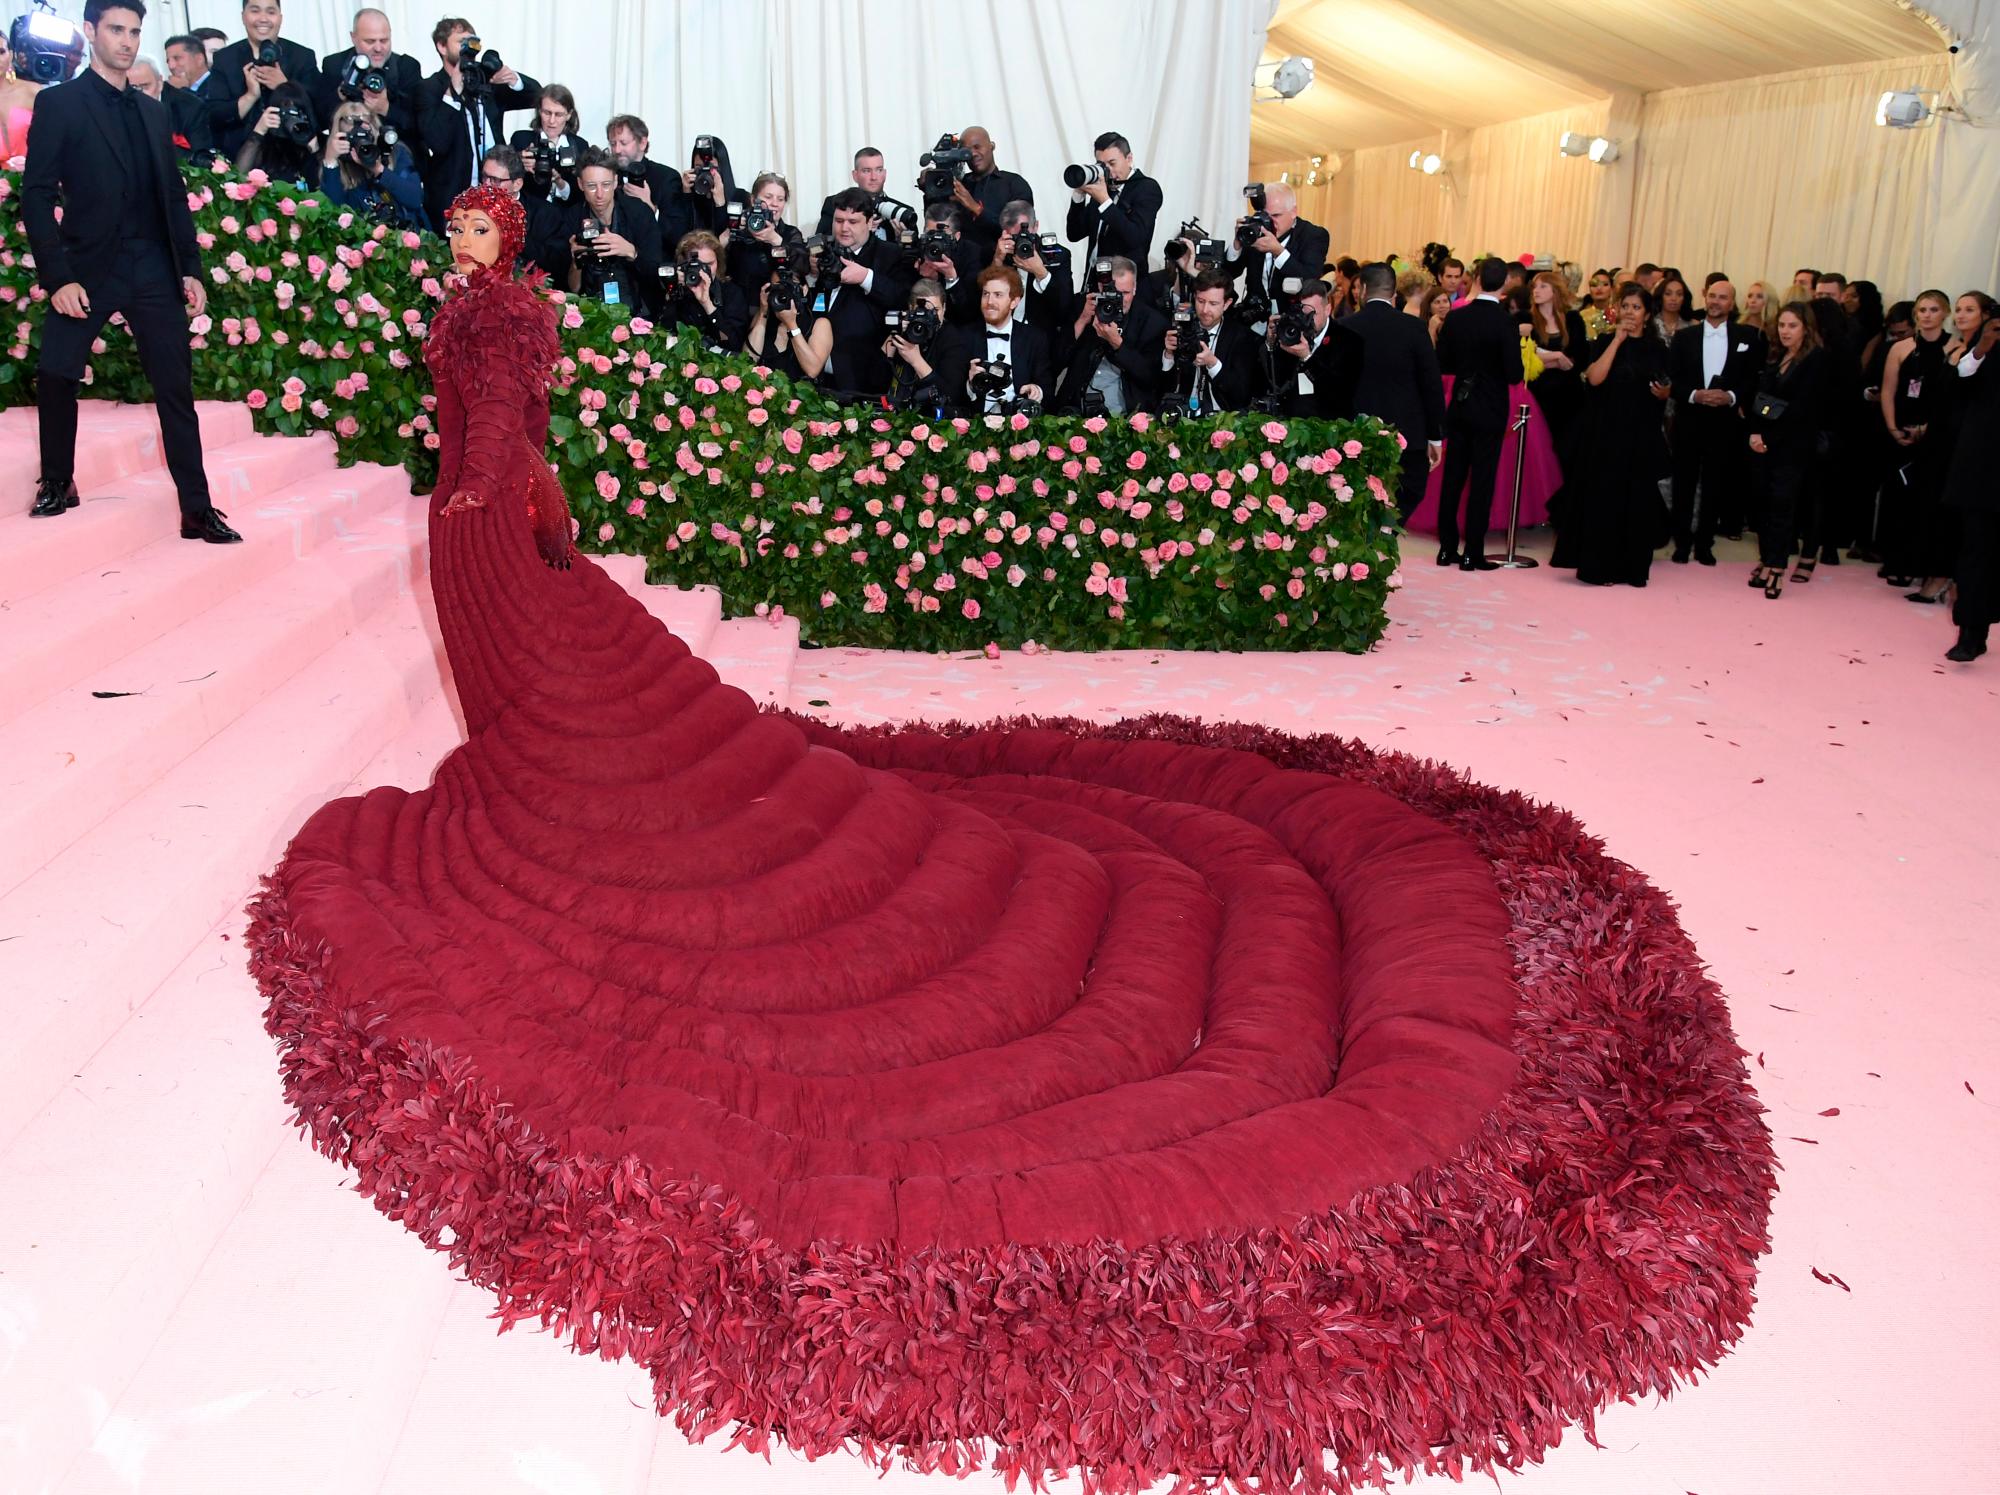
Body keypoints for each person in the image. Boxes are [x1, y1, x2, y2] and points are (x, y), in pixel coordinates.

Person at [21, 0, 237, 543]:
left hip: (152, 266)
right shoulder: (60, 104)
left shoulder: (154, 112)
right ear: (91, 32)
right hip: (87, 266)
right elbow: (37, 195)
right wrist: (58, 276)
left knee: (175, 388)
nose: (126, 41)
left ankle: (197, 508)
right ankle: (57, 480)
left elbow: (172, 194)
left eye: (135, 32)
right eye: (116, 29)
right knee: (55, 372)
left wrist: (188, 267)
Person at [1550, 282, 1671, 587]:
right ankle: (1598, 567)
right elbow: (1594, 378)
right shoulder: (1606, 340)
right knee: (1603, 498)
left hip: (1640, 434)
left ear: (1647, 314)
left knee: (1637, 500)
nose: (1630, 313)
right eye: (1626, 306)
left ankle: (1631, 569)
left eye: (1637, 307)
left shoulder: (1658, 348)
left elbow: (1665, 388)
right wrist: (1617, 342)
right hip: (1605, 433)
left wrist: (1664, 392)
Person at [1666, 277, 1764, 564]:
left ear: (1732, 303)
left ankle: (1705, 543)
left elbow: (1751, 380)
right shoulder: (1685, 337)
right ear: (1704, 298)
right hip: (1688, 419)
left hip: (1725, 422)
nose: (1715, 301)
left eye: (1722, 297)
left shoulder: (1747, 337)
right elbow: (1673, 378)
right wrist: (1696, 395)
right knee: (1683, 483)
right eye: (1711, 296)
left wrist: (1731, 397)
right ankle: (1681, 542)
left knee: (1715, 483)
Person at [1433, 256, 1517, 570]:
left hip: (1461, 404)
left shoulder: (1458, 318)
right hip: (1491, 407)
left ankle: (1446, 548)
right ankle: (1473, 552)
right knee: (1482, 480)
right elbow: (1513, 373)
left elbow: (1445, 363)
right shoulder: (1504, 322)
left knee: (1453, 478)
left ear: (1477, 278)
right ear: (1505, 282)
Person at [417, 17, 538, 233]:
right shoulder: (430, 88)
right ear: (441, 46)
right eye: (460, 41)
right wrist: (452, 94)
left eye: (471, 41)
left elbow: (536, 95)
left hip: (497, 193)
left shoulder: (485, 79)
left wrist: (512, 79)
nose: (467, 48)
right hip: (453, 196)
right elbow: (438, 142)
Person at [1345, 261, 1443, 519]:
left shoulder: (1344, 326)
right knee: (1403, 498)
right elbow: (1431, 384)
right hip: (1407, 432)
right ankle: (1386, 537)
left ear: (1363, 289)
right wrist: (1435, 436)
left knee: (1356, 502)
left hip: (1355, 432)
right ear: (1394, 292)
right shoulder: (1414, 328)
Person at [1746, 304, 1829, 598]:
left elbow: (1804, 409)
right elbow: (1761, 398)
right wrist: (1756, 433)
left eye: (1792, 326)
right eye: (1782, 325)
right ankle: (1766, 560)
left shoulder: (1815, 360)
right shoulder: (1776, 355)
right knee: (1762, 504)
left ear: (1806, 328)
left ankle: (1777, 567)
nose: (1785, 331)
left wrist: (1767, 436)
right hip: (1764, 443)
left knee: (1782, 505)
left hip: (1793, 446)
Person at [1878, 289, 1955, 596]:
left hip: (1936, 439)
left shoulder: (1957, 348)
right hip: (1900, 434)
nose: (1927, 315)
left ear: (1945, 313)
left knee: (1929, 504)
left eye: (1934, 309)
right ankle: (1897, 562)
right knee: (1898, 500)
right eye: (1922, 309)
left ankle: (1925, 567)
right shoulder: (1900, 348)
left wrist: (1930, 429)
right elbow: (1887, 391)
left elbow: (1953, 400)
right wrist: (1894, 429)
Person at [814, 187, 910, 401]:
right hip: (817, 376)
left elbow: (901, 297)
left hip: (863, 380)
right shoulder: (824, 253)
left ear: (870, 222)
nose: (844, 228)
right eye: (839, 221)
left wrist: (866, 277)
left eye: (853, 221)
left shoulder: (891, 254)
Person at [1942, 308, 2000, 661]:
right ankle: (1970, 634)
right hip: (1984, 469)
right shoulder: (1989, 340)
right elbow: (1961, 380)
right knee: (1977, 552)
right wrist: (1984, 345)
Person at [933, 265, 1052, 415]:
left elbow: (1047, 388)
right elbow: (950, 395)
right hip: (975, 425)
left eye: (998, 295)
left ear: (1014, 301)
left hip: (1020, 425)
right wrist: (971, 385)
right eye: (986, 294)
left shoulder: (1034, 338)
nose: (989, 301)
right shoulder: (963, 337)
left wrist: (1037, 391)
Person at [206, 0, 318, 159]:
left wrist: (285, 86)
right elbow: (215, 116)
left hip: (293, 156)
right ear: (243, 17)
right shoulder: (225, 59)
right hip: (240, 158)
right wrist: (250, 96)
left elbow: (319, 110)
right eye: (255, 11)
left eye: (270, 12)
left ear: (280, 18)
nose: (263, 18)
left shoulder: (302, 56)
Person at [557, 147, 662, 315]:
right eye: (591, 186)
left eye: (605, 185)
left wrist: (631, 252)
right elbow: (571, 289)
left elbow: (657, 272)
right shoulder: (572, 218)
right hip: (591, 313)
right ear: (580, 184)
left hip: (640, 311)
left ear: (615, 182)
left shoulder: (638, 213)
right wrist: (576, 262)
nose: (599, 194)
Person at [1054, 255, 1165, 415]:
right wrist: (1083, 319)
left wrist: (1118, 344)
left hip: (1124, 414)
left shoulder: (1152, 322)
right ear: (1100, 287)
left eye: (1125, 293)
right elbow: (1057, 360)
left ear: (1135, 288)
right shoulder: (1084, 307)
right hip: (1076, 409)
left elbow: (1151, 378)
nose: (1119, 300)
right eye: (1112, 292)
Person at [313, 7, 421, 145]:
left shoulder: (406, 67)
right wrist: (339, 96)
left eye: (384, 40)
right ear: (353, 38)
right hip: (349, 154)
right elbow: (320, 120)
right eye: (370, 41)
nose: (378, 48)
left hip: (398, 153)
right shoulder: (335, 65)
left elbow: (419, 127)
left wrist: (385, 109)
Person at [1159, 269, 1260, 415]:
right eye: (1200, 301)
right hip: (1181, 414)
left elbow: (1241, 395)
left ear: (1226, 304)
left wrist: (1213, 364)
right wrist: (1168, 355)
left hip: (1222, 418)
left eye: (1213, 303)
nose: (1205, 310)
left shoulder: (1242, 337)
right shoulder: (1180, 328)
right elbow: (1161, 389)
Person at [1226, 182, 1328, 320]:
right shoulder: (1257, 230)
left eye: (1276, 215)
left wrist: (1278, 252)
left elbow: (1310, 279)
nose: (1269, 222)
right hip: (1254, 319)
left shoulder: (1313, 235)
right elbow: (1228, 274)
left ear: (1293, 212)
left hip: (1292, 320)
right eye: (1265, 215)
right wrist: (1237, 244)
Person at [319, 96, 425, 228]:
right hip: (360, 243)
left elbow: (415, 199)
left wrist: (378, 169)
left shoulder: (395, 152)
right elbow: (334, 215)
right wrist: (330, 161)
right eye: (354, 136)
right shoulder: (338, 164)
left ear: (374, 128)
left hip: (406, 236)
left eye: (364, 133)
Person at [601, 114, 704, 250]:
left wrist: (650, 209)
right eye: (613, 144)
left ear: (642, 143)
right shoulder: (607, 177)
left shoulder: (666, 177)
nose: (617, 150)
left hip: (657, 261)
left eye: (623, 143)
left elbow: (678, 236)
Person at [1063, 130, 1162, 272]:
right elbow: (1074, 234)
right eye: (1102, 165)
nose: (1107, 171)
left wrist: (1105, 201)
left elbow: (1135, 238)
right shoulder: (1103, 189)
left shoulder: (1146, 188)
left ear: (1129, 159)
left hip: (1128, 286)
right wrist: (1079, 195)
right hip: (1094, 282)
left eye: (1112, 163)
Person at [995, 200, 1075, 371]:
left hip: (1042, 340)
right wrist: (997, 261)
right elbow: (984, 298)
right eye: (1015, 237)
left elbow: (1064, 308)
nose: (1021, 242)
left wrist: (1041, 273)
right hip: (1003, 337)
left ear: (1036, 226)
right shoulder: (999, 253)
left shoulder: (1057, 255)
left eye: (1026, 234)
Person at [1271, 277, 1360, 420]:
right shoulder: (1292, 334)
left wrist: (1307, 358)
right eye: (1302, 315)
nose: (1306, 321)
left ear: (1327, 309)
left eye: (1312, 314)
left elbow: (1339, 391)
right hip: (1292, 424)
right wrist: (1271, 343)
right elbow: (1274, 379)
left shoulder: (1349, 341)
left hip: (1330, 425)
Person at [1522, 270, 1589, 452]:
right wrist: (1557, 357)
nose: (1536, 290)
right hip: (1538, 395)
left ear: (1555, 291)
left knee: (1566, 450)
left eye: (1543, 286)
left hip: (1568, 398)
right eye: (1534, 286)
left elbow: (1578, 359)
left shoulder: (1572, 319)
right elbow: (1523, 357)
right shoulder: (1525, 319)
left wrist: (1541, 358)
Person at [748, 255, 835, 388]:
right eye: (776, 289)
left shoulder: (820, 324)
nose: (783, 295)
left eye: (788, 289)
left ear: (804, 290)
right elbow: (749, 359)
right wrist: (763, 313)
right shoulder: (764, 318)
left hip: (801, 402)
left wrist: (791, 325)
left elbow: (812, 370)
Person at [946, 125, 1031, 262]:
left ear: (992, 146)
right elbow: (939, 223)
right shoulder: (958, 185)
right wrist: (930, 189)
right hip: (963, 271)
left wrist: (977, 209)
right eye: (966, 151)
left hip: (1004, 271)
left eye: (977, 147)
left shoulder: (1014, 184)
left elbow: (1018, 231)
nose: (973, 154)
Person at [478, 144, 563, 274]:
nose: (487, 184)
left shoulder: (546, 214)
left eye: (495, 180)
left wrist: (515, 235)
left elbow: (554, 264)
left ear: (517, 184)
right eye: (485, 177)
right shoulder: (471, 208)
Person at [724, 171, 806, 300]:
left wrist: (775, 240)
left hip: (776, 306)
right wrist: (732, 231)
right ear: (753, 200)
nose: (775, 203)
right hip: (739, 305)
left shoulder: (790, 233)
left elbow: (802, 268)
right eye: (768, 197)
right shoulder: (739, 229)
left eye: (780, 199)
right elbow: (719, 263)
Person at [875, 279, 949, 415]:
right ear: (910, 309)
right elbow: (874, 381)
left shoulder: (953, 339)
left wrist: (916, 360)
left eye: (935, 311)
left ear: (944, 308)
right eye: (922, 311)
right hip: (893, 416)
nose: (927, 317)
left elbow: (949, 395)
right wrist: (896, 332)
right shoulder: (902, 332)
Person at [507, 84, 587, 208]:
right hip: (529, 214)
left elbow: (580, 194)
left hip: (566, 217)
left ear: (569, 115)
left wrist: (560, 182)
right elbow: (504, 179)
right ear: (539, 111)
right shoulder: (521, 140)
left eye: (559, 114)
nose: (552, 121)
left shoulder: (580, 146)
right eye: (547, 113)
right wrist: (518, 163)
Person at [233, 80, 319, 186]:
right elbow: (239, 176)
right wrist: (258, 131)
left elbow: (324, 188)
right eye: (286, 113)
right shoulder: (264, 147)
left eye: (296, 113)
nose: (291, 120)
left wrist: (314, 149)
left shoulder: (318, 141)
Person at [816, 145, 888, 236]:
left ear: (885, 174)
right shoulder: (834, 204)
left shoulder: (902, 211)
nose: (873, 177)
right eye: (866, 171)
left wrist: (901, 239)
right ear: (855, 175)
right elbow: (821, 242)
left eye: (879, 170)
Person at [1653, 273, 1691, 346]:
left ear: (1684, 298)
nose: (1673, 298)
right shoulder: (1648, 324)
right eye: (1668, 294)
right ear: (1660, 296)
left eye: (1679, 294)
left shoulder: (1692, 325)